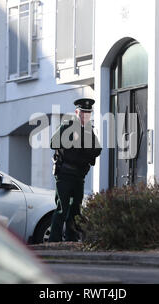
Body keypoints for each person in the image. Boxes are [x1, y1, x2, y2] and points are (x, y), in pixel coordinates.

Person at [49, 98, 102, 242]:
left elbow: (97, 150)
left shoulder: (89, 132)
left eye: (88, 114)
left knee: (75, 209)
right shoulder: (67, 126)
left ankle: (71, 238)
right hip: (65, 174)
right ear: (76, 112)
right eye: (83, 113)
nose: (85, 116)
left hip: (79, 176)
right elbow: (53, 143)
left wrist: (83, 149)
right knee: (62, 208)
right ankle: (54, 240)